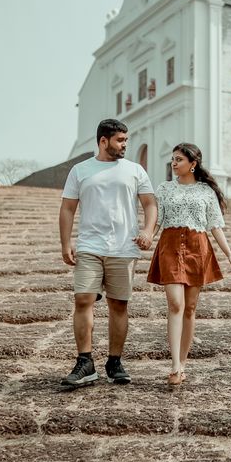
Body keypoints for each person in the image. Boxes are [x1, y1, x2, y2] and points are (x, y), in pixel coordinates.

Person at [58, 119, 157, 387]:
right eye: (120, 140)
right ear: (104, 141)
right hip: (90, 246)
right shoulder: (81, 170)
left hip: (124, 248)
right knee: (83, 299)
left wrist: (148, 231)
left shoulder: (135, 170)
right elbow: (67, 208)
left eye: (126, 140)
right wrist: (65, 243)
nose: (125, 145)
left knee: (118, 304)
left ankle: (115, 361)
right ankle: (85, 362)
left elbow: (150, 204)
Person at [147, 143, 231, 385]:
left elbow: (214, 225)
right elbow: (157, 221)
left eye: (178, 159)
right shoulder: (164, 189)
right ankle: (175, 365)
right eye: (173, 159)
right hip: (170, 246)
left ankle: (183, 363)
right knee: (175, 304)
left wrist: (229, 254)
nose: (173, 163)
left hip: (197, 248)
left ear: (193, 164)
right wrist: (146, 237)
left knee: (189, 308)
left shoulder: (206, 192)